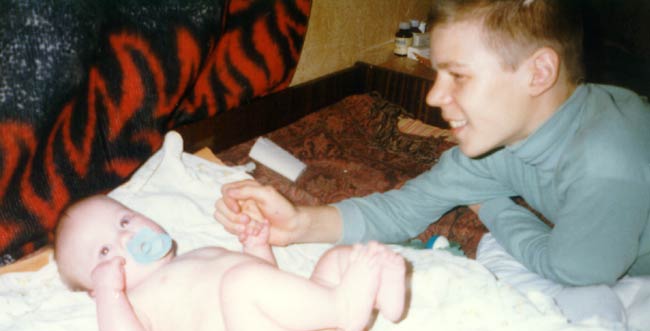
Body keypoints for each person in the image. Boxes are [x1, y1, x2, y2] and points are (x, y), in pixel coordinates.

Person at [214, 0, 650, 287]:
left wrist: (492, 207)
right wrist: (299, 223)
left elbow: (571, 270)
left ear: (538, 73)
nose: (434, 97)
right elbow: (404, 208)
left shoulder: (607, 162)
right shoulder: (501, 139)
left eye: (458, 75)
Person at [53, 195, 406, 331]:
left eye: (124, 221)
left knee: (336, 259)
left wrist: (256, 247)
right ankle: (344, 306)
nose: (126, 237)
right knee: (240, 284)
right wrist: (110, 295)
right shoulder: (138, 303)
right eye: (104, 251)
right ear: (94, 288)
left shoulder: (201, 253)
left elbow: (271, 284)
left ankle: (382, 297)